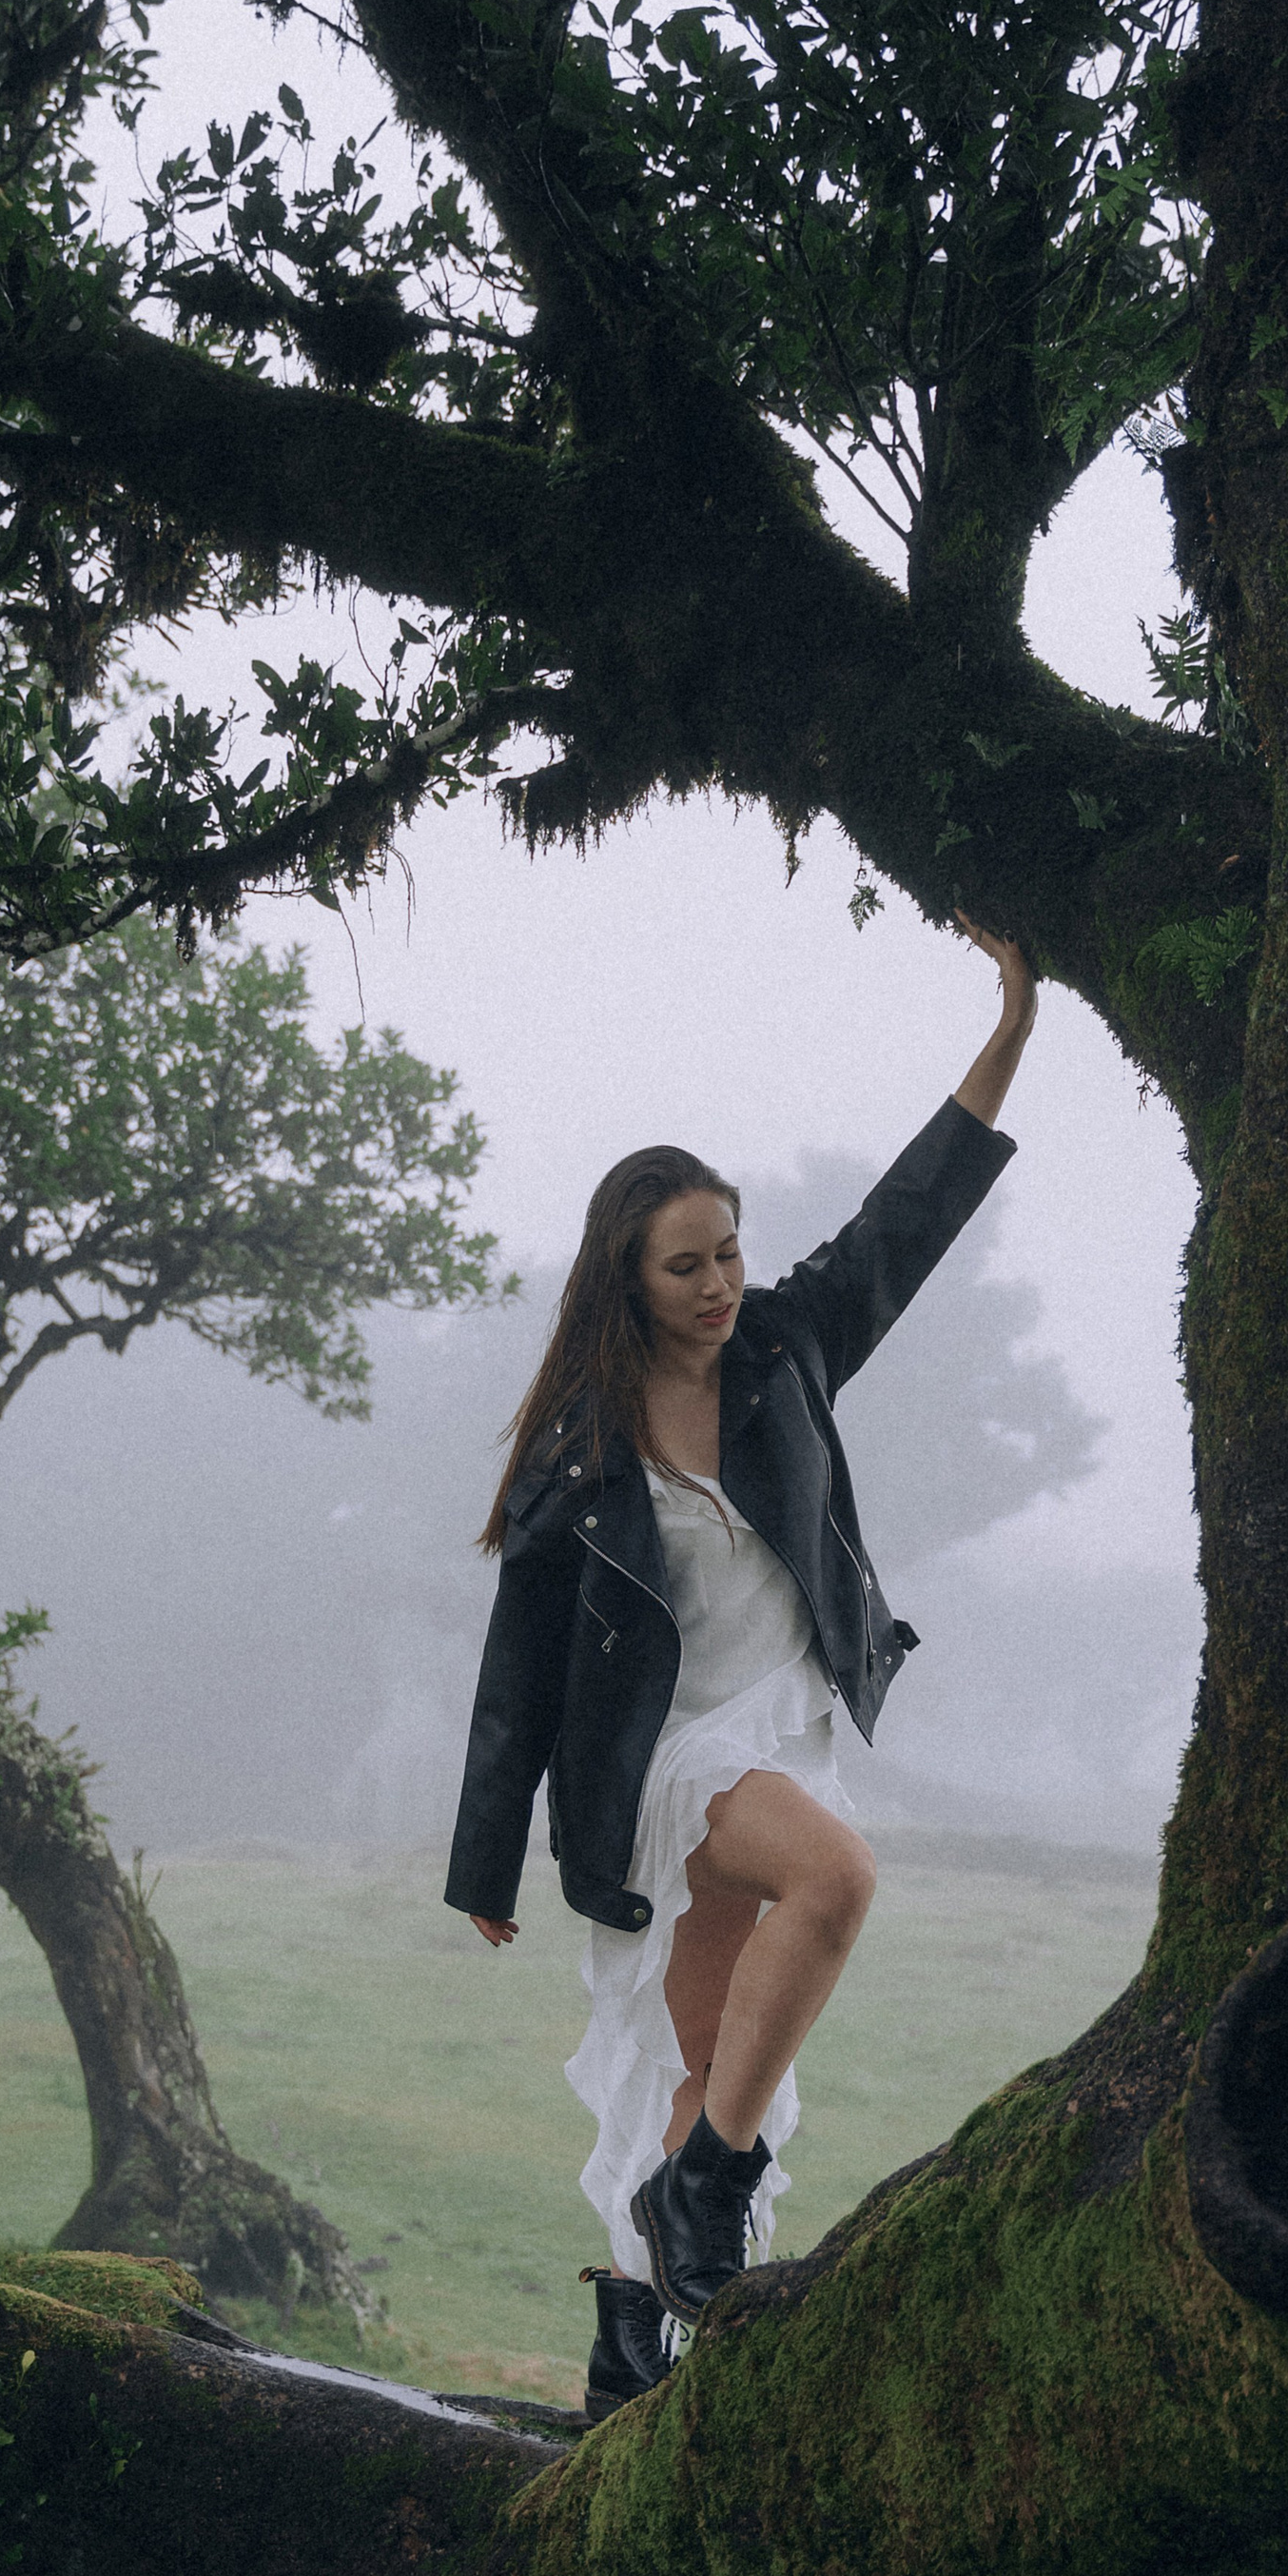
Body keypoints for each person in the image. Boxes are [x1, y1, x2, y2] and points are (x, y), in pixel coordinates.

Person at [444, 918, 1038, 2418]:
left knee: (715, 2075)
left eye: (731, 1255)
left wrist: (1014, 1024)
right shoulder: (582, 1454)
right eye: (687, 1266)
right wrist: (486, 1866)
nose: (720, 1284)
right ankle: (700, 2203)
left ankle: (624, 2356)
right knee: (836, 1884)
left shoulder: (787, 1350)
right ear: (629, 1279)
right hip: (668, 1766)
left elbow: (909, 1222)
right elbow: (519, 1663)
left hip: (784, 1732)